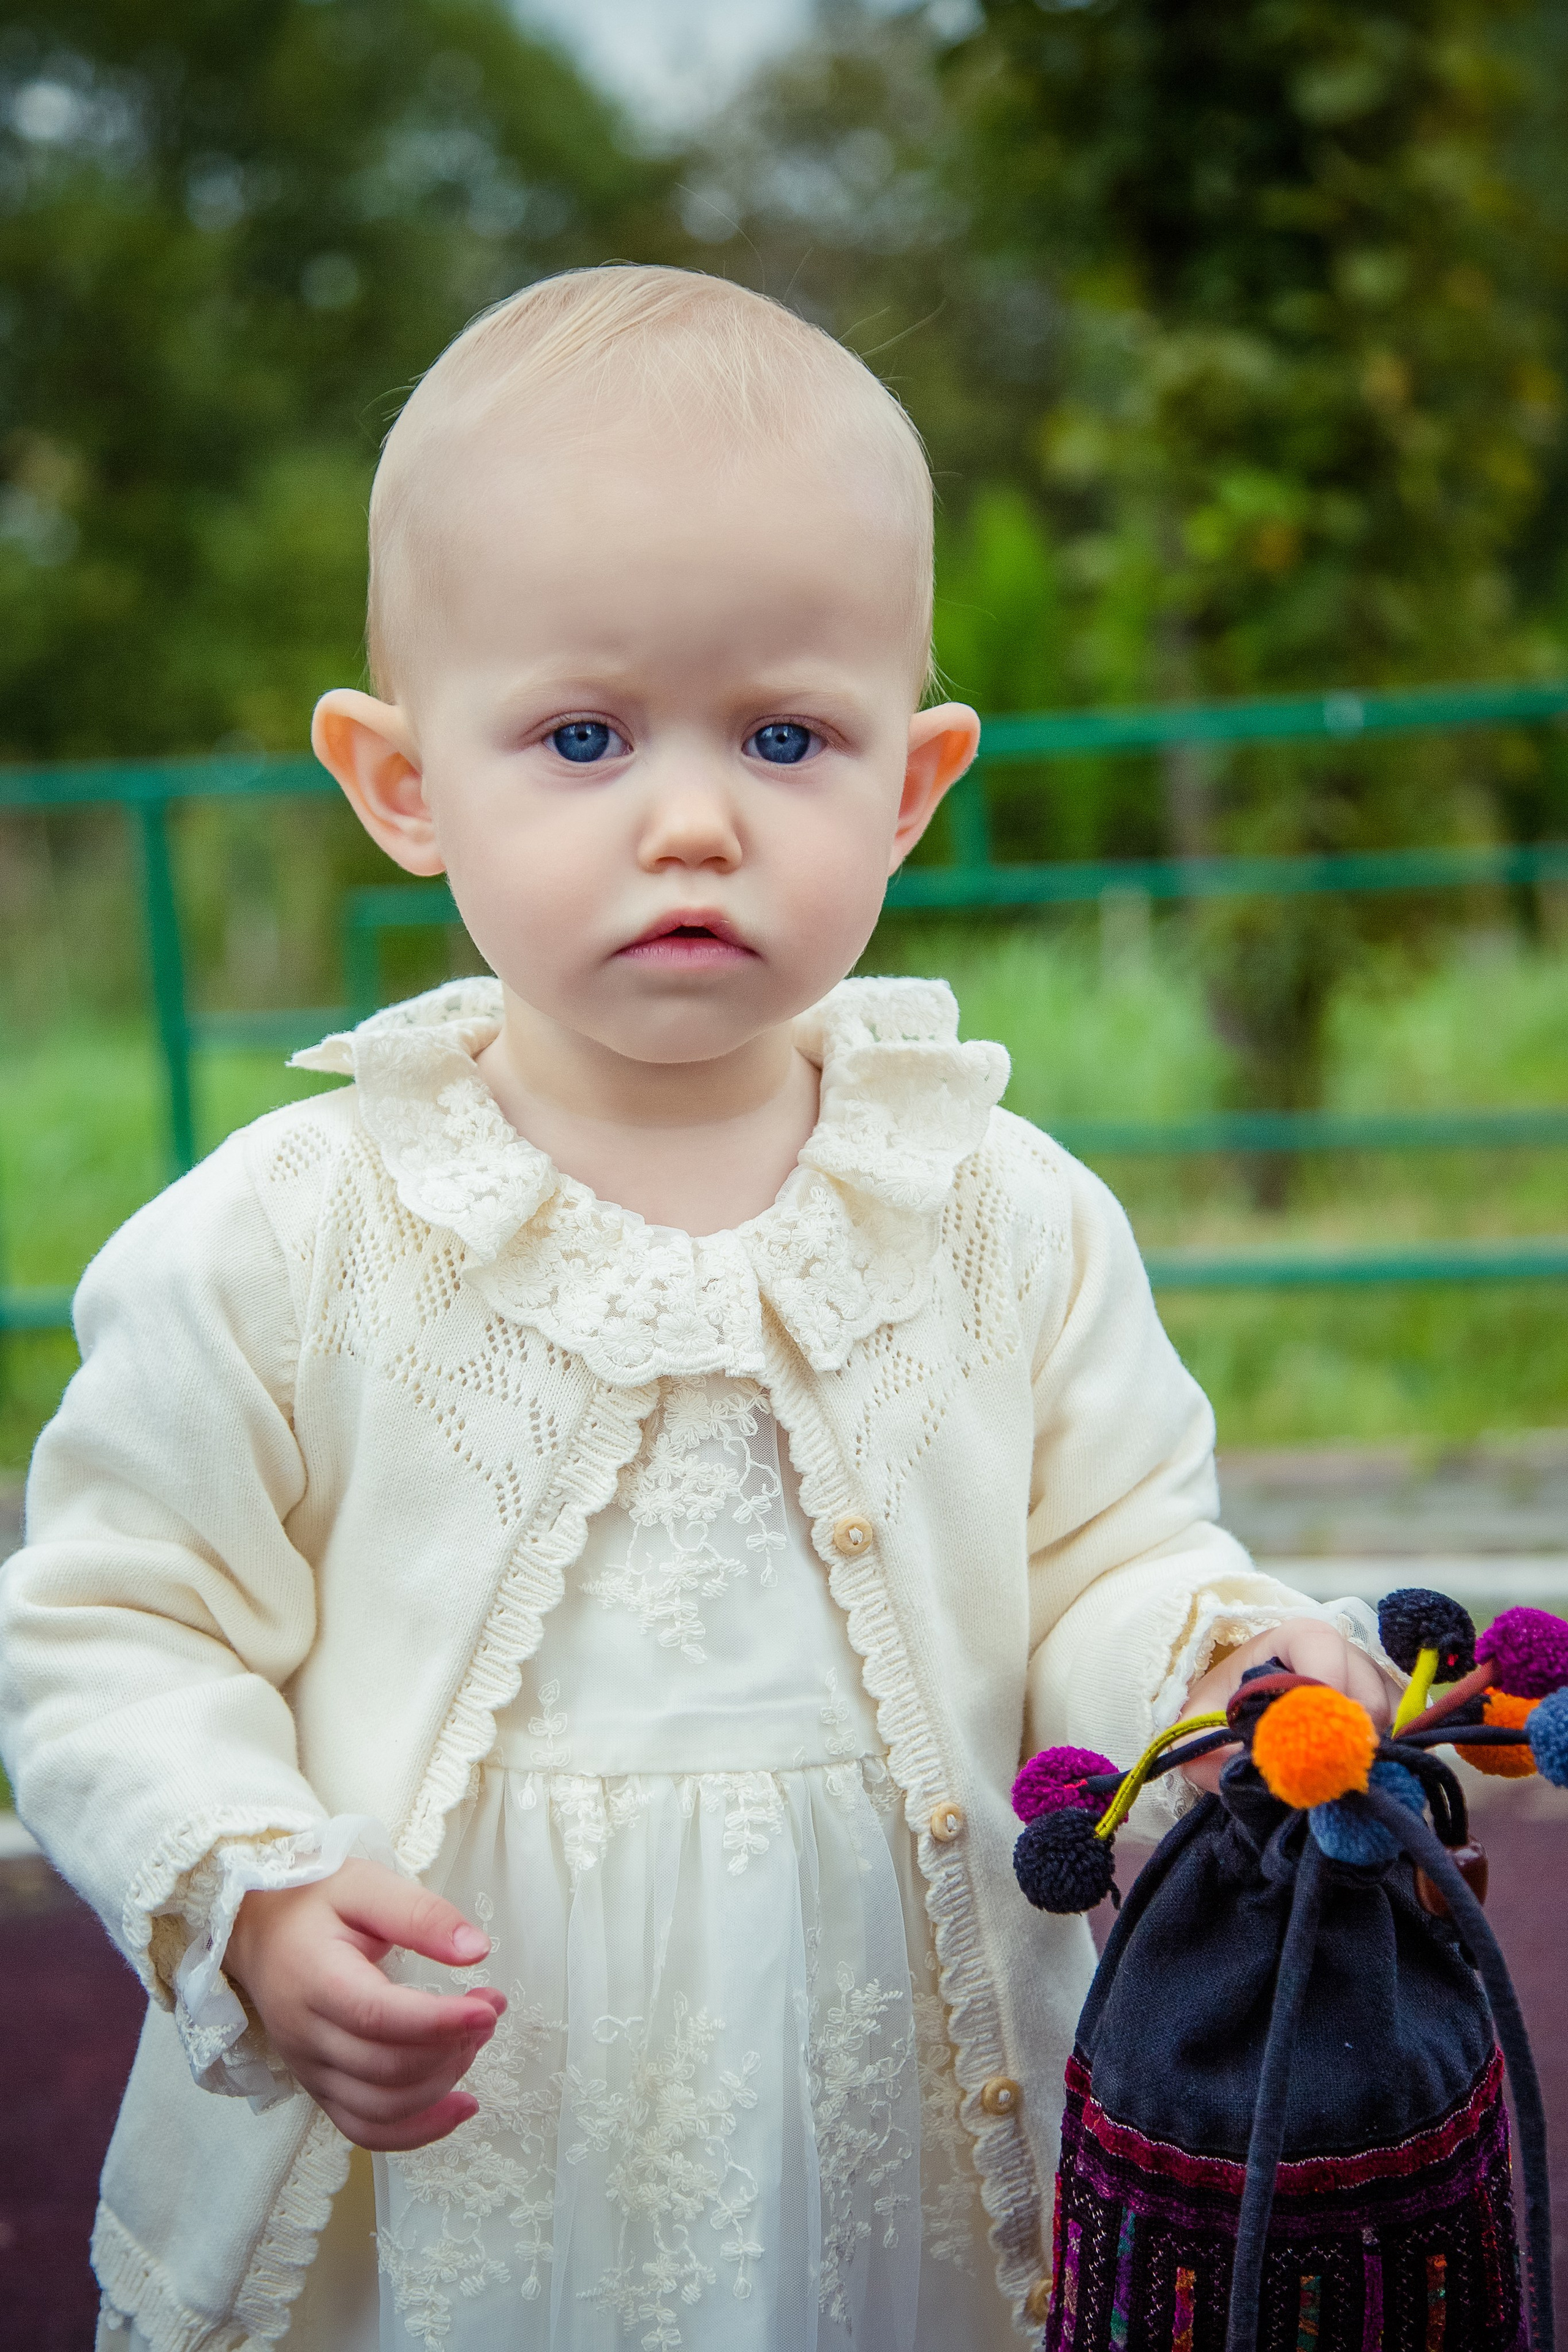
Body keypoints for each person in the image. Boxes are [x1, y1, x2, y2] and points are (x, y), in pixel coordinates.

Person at [0, 267, 1397, 2352]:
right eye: (581, 735)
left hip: (902, 2135)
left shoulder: (1001, 1213)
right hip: (456, 2155)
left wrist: (1218, 1674)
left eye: (785, 735)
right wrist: (256, 1893)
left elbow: (1103, 1556)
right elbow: (113, 1624)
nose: (690, 816)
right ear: (399, 782)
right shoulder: (290, 1237)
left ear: (913, 785)